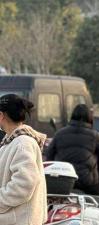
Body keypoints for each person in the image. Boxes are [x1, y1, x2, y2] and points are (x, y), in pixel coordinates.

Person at [46, 104, 99, 196]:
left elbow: (49, 154)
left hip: (64, 181)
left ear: (72, 116)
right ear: (90, 117)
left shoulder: (60, 133)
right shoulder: (94, 135)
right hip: (87, 181)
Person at [0, 94, 47, 225]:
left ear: (1, 115)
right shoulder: (12, 141)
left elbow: (25, 183)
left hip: (20, 220)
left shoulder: (22, 143)